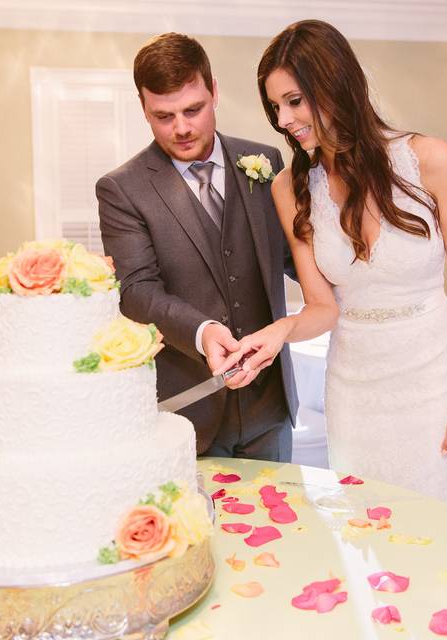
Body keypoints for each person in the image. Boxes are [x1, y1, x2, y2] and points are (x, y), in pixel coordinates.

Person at [238, 20, 447, 510]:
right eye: (275, 107)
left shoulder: (431, 159)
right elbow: (322, 308)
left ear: (333, 84)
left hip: (434, 379)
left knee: (443, 526)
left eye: (294, 101)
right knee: (368, 532)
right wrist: (278, 332)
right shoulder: (290, 190)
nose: (284, 120)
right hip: (354, 390)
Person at [96, 32, 298, 462]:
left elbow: (290, 258)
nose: (182, 127)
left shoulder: (266, 162)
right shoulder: (122, 188)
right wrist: (202, 331)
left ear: (215, 92)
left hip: (270, 408)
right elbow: (135, 290)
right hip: (187, 412)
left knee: (283, 526)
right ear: (143, 109)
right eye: (163, 116)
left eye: (193, 109)